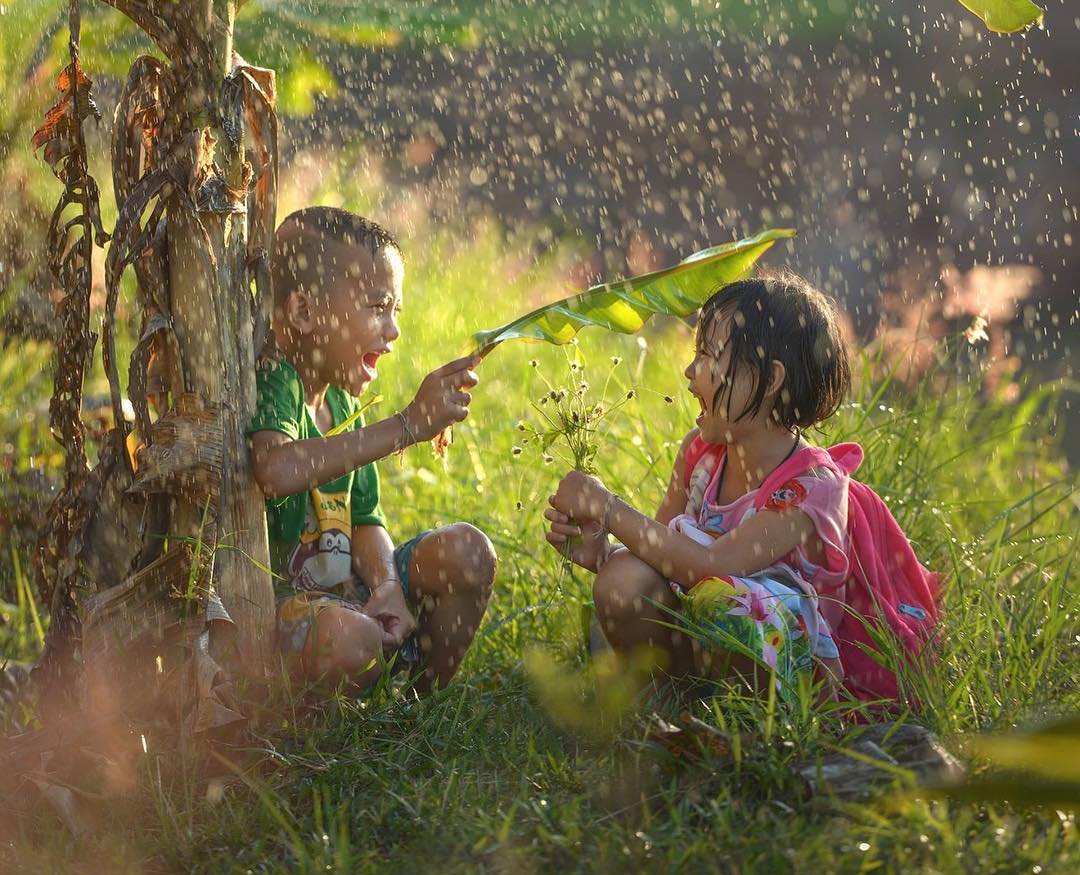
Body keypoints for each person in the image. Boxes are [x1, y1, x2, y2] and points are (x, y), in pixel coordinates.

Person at [544, 271, 860, 696]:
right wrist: (602, 550)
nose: (690, 371)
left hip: (782, 679)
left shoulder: (809, 487)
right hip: (703, 641)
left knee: (728, 603)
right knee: (624, 578)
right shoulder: (702, 457)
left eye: (708, 355)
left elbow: (714, 567)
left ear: (770, 379)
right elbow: (659, 557)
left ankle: (744, 725)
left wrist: (610, 509)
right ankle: (665, 704)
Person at [248, 206, 495, 692]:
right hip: (288, 613)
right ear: (303, 312)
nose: (394, 329)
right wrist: (404, 426)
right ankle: (319, 722)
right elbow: (275, 470)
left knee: (469, 551)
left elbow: (364, 521)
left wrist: (386, 586)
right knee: (353, 640)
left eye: (395, 311)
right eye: (377, 307)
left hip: (350, 597)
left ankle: (419, 710)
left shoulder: (339, 402)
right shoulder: (276, 383)